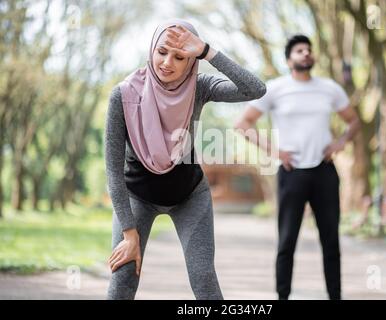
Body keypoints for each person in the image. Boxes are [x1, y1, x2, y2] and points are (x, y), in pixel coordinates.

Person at [104, 19, 266, 300]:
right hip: (136, 197)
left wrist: (207, 51)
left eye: (180, 57)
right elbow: (113, 172)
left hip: (190, 196)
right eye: (162, 51)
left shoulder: (198, 87)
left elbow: (255, 89)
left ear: (191, 60)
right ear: (152, 49)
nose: (167, 62)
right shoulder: (123, 95)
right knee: (123, 277)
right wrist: (130, 234)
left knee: (203, 278)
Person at [235, 34, 360, 300]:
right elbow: (243, 124)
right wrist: (275, 151)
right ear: (289, 59)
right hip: (291, 173)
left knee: (331, 242)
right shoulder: (276, 88)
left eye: (309, 50)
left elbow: (354, 122)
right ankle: (282, 296)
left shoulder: (329, 88)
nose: (306, 53)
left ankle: (335, 296)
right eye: (300, 50)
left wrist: (340, 143)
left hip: (324, 172)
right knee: (287, 242)